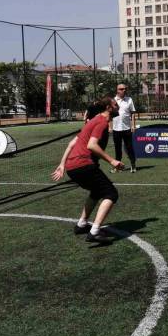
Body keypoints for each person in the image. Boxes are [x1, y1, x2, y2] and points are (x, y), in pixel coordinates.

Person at [52, 97, 124, 243]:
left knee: (96, 192)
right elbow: (91, 145)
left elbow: (73, 142)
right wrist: (112, 161)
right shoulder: (102, 122)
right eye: (116, 105)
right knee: (111, 194)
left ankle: (81, 224)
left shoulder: (93, 120)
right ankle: (95, 231)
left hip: (73, 167)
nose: (118, 107)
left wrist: (62, 164)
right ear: (109, 108)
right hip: (83, 164)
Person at [112, 83, 137, 173]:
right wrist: (109, 127)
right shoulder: (113, 101)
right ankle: (118, 167)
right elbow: (109, 115)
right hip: (116, 129)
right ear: (117, 90)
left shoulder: (129, 100)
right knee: (117, 149)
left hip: (127, 129)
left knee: (129, 148)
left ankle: (133, 165)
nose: (124, 90)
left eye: (125, 89)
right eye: (121, 89)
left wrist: (133, 125)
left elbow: (133, 113)